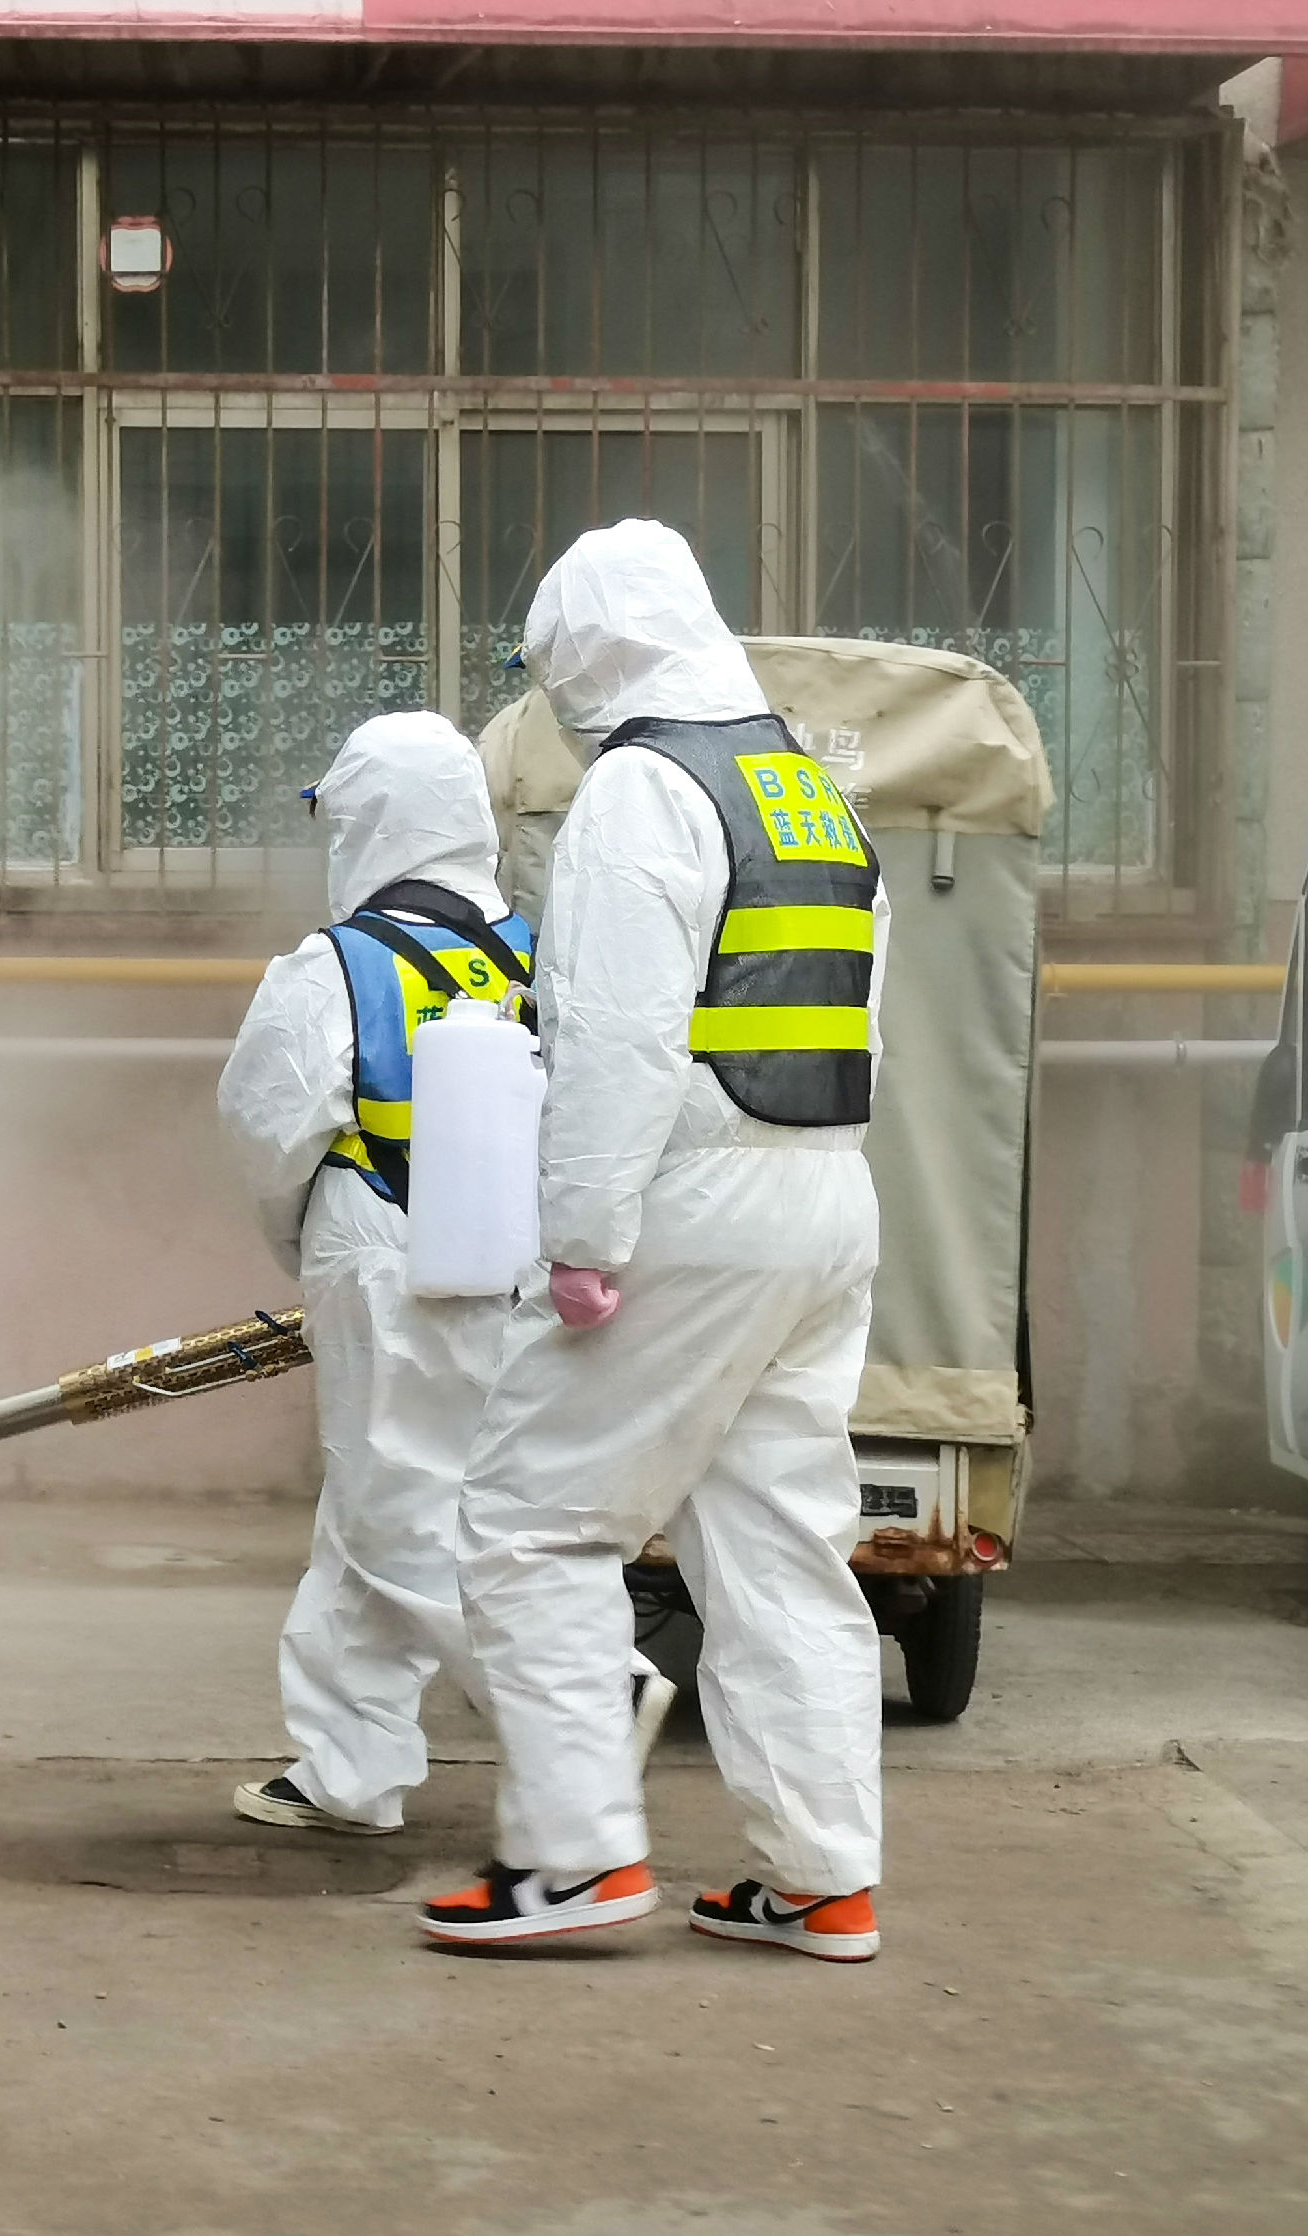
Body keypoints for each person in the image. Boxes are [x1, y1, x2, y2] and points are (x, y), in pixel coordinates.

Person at [419, 520, 889, 1961]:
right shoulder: (806, 789)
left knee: (530, 1520)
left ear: (591, 654)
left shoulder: (643, 786)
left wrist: (582, 1236)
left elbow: (616, 1035)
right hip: (826, 1192)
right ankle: (824, 1878)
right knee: (780, 1543)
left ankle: (575, 1858)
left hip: (694, 1197)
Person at [218, 711, 673, 1838]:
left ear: (368, 823)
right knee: (375, 1507)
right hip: (525, 1267)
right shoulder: (538, 952)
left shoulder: (336, 965)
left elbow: (269, 1130)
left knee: (399, 1513)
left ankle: (592, 1695)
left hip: (385, 1257)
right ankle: (348, 1767)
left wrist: (304, 1254)